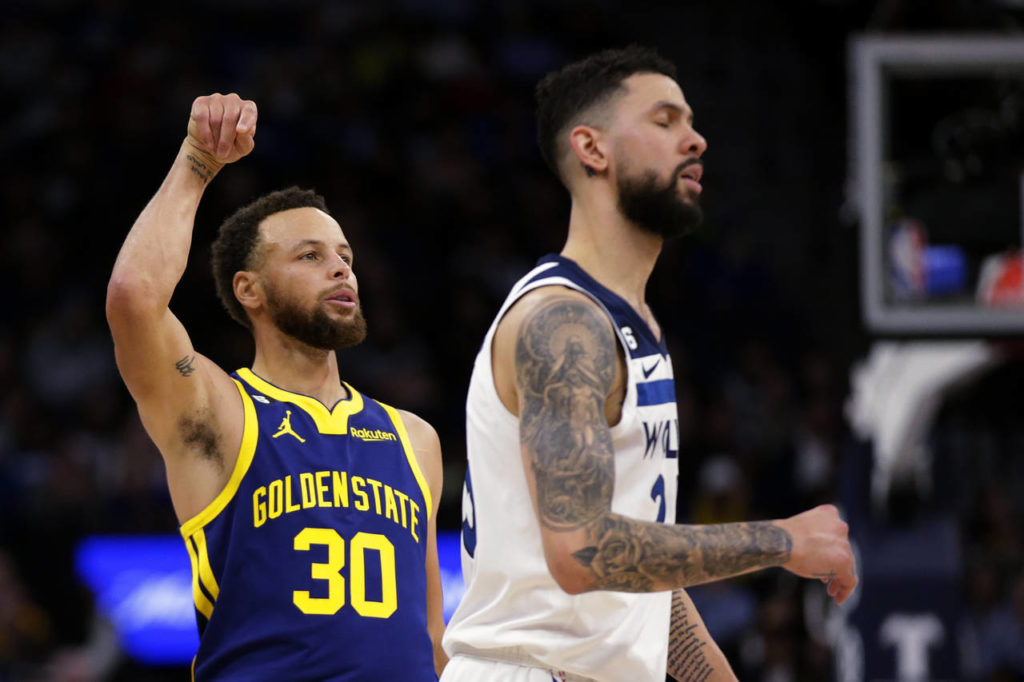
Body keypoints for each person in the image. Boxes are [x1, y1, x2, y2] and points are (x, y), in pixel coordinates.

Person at [440, 46, 857, 682]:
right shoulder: (563, 323)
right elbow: (583, 550)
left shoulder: (630, 324)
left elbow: (635, 580)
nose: (695, 140)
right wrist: (782, 540)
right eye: (664, 121)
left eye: (690, 122)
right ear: (592, 148)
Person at [105, 93, 447, 680]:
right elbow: (135, 297)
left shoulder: (414, 438)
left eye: (344, 255)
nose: (340, 268)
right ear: (249, 290)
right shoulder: (218, 410)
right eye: (310, 256)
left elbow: (431, 635)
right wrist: (198, 161)